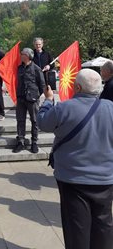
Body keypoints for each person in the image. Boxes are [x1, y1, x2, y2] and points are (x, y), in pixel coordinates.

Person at [37, 68, 113, 249]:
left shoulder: (64, 108)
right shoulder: (111, 108)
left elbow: (43, 122)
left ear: (77, 87)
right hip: (105, 178)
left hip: (73, 179)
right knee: (103, 225)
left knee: (77, 227)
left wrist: (48, 101)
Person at [13, 48, 45, 154]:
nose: (21, 56)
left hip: (32, 99)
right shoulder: (19, 68)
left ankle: (34, 142)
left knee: (35, 121)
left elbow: (42, 85)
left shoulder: (36, 68)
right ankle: (21, 141)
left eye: (22, 54)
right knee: (20, 120)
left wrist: (35, 95)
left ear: (27, 56)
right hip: (21, 98)